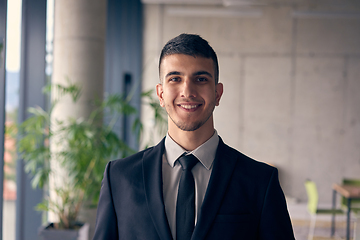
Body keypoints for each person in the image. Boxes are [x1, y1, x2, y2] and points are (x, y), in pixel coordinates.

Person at [93, 33, 295, 240]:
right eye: (175, 79)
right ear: (161, 94)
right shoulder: (119, 177)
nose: (187, 91)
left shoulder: (260, 182)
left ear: (217, 94)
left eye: (200, 79)